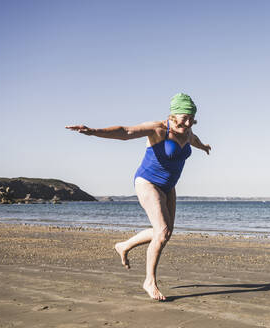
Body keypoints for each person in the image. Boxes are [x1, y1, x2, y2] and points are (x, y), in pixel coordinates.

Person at [66, 93, 211, 300]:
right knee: (161, 232)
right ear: (172, 115)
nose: (187, 123)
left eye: (191, 119)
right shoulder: (158, 128)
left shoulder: (187, 132)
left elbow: (194, 140)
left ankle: (124, 246)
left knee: (165, 233)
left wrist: (204, 146)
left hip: (169, 187)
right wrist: (93, 132)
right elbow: (125, 132)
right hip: (148, 182)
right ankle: (149, 281)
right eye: (184, 118)